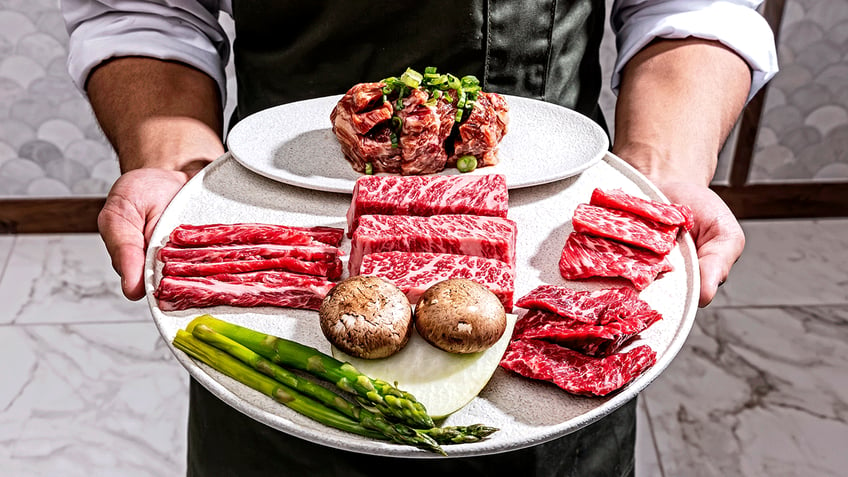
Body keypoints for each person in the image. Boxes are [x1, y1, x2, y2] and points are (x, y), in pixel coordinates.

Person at [62, 1, 778, 476]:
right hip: (285, 209)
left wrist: (659, 176)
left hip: (543, 274)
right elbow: (143, 12)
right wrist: (174, 165)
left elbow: (692, 7)